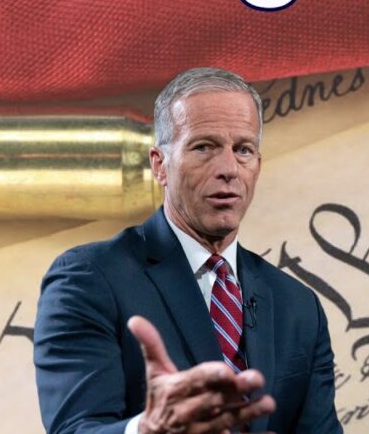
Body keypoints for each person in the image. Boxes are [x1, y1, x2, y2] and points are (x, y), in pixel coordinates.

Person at [34, 68, 342, 433]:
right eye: (204, 147)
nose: (228, 169)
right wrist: (147, 430)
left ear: (257, 165)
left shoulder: (299, 305)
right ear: (159, 165)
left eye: (243, 149)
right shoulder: (89, 279)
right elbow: (74, 429)